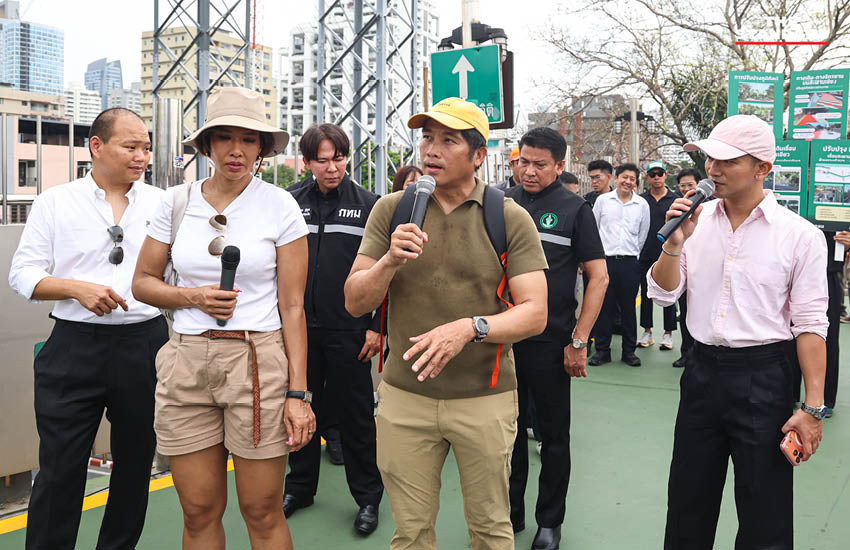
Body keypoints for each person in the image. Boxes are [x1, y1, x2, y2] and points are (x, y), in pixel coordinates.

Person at [344, 97, 548, 550]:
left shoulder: (507, 217)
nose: (431, 150)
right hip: (404, 398)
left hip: (484, 399)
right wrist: (389, 261)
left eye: (448, 140)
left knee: (490, 528)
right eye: (427, 137)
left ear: (479, 155)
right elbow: (355, 301)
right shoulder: (392, 211)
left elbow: (535, 312)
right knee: (411, 532)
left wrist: (471, 328)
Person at [132, 87, 314, 550]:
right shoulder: (176, 202)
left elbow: (293, 307)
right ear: (207, 144)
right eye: (225, 137)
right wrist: (192, 297)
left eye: (249, 139)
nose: (237, 150)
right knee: (197, 511)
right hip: (186, 360)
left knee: (262, 509)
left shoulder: (280, 205)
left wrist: (298, 394)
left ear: (262, 147)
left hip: (258, 360)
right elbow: (142, 283)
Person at [647, 114, 828, 549]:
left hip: (764, 375)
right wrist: (674, 244)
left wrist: (812, 408)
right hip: (701, 372)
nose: (713, 170)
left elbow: (809, 324)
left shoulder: (799, 236)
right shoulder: (694, 222)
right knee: (688, 499)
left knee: (765, 509)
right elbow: (664, 294)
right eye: (710, 159)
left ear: (763, 168)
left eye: (728, 161)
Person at [8, 108, 167, 550]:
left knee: (135, 466)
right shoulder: (56, 202)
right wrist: (75, 288)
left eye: (146, 148)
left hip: (145, 343)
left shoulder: (163, 203)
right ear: (96, 146)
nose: (142, 156)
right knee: (60, 470)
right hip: (74, 346)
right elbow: (22, 273)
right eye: (130, 146)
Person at [505, 128, 608, 550]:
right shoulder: (501, 202)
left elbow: (598, 277)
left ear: (560, 166)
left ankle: (549, 522)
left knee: (553, 437)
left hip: (550, 343)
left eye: (540, 164)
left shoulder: (575, 210)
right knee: (505, 433)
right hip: (501, 339)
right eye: (523, 163)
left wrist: (579, 340)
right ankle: (508, 512)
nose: (529, 171)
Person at [284, 123, 384, 534]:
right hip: (299, 331)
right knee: (299, 409)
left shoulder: (370, 206)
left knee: (357, 419)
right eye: (322, 160)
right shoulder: (290, 203)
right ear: (307, 163)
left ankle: (368, 498)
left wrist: (378, 326)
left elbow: (388, 272)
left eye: (339, 159)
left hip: (350, 331)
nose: (332, 168)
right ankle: (299, 487)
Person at [589, 163, 649, 367]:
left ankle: (629, 352)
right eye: (624, 177)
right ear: (616, 178)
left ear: (636, 182)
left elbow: (642, 235)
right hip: (605, 262)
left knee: (628, 309)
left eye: (632, 179)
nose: (628, 181)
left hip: (630, 263)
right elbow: (594, 230)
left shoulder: (642, 205)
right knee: (603, 307)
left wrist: (632, 254)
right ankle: (602, 351)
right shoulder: (603, 201)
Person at [638, 160, 678, 351]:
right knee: (646, 294)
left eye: (659, 174)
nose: (656, 177)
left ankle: (668, 333)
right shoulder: (641, 200)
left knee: (668, 294)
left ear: (666, 175)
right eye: (652, 174)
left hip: (667, 255)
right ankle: (647, 331)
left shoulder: (675, 199)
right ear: (647, 177)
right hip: (645, 254)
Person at [671, 168, 700, 368]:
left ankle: (700, 354)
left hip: (703, 270)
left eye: (690, 184)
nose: (686, 188)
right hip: (684, 269)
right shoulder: (678, 207)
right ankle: (686, 353)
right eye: (683, 185)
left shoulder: (710, 207)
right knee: (685, 313)